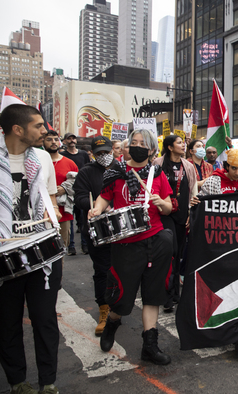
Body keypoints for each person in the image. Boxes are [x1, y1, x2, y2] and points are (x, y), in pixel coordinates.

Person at [88, 129, 173, 365]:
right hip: (126, 243)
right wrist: (97, 209)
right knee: (122, 297)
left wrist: (161, 203)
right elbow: (104, 197)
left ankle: (150, 345)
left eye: (141, 143)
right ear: (126, 147)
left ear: (150, 149)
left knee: (153, 294)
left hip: (155, 239)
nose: (136, 146)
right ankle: (112, 323)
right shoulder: (116, 172)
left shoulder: (157, 174)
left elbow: (168, 206)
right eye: (132, 142)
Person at [0, 104, 63, 394]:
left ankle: (48, 382)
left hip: (42, 252)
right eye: (38, 126)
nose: (45, 131)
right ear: (17, 130)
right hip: (3, 257)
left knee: (45, 320)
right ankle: (17, 382)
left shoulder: (42, 158)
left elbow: (50, 198)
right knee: (7, 324)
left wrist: (54, 214)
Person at [195, 149, 238, 351]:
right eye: (234, 168)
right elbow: (202, 210)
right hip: (217, 245)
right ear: (227, 166)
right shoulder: (214, 182)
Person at [73, 135, 116, 336]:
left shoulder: (122, 169)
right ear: (92, 154)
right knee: (102, 271)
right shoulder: (86, 172)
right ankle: (104, 310)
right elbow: (80, 197)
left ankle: (118, 308)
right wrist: (93, 207)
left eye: (107, 152)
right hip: (97, 230)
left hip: (122, 230)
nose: (104, 156)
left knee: (123, 270)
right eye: (99, 153)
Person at [153, 135, 197, 313]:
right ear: (170, 147)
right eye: (179, 143)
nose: (183, 145)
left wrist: (190, 212)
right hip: (164, 214)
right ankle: (167, 294)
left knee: (178, 252)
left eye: (183, 142)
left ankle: (176, 293)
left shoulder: (188, 166)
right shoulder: (158, 163)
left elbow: (193, 190)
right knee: (169, 251)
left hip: (182, 215)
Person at [44, 131, 79, 248]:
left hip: (63, 214)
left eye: (55, 139)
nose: (53, 142)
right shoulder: (37, 162)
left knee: (61, 249)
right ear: (43, 142)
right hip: (42, 214)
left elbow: (78, 185)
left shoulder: (70, 163)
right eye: (49, 139)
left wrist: (65, 189)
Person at [61, 133, 91, 255]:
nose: (72, 140)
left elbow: (88, 168)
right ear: (64, 141)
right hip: (68, 191)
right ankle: (71, 246)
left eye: (73, 138)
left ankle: (85, 245)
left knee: (83, 218)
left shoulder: (83, 154)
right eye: (69, 138)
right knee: (70, 218)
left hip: (82, 189)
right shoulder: (63, 155)